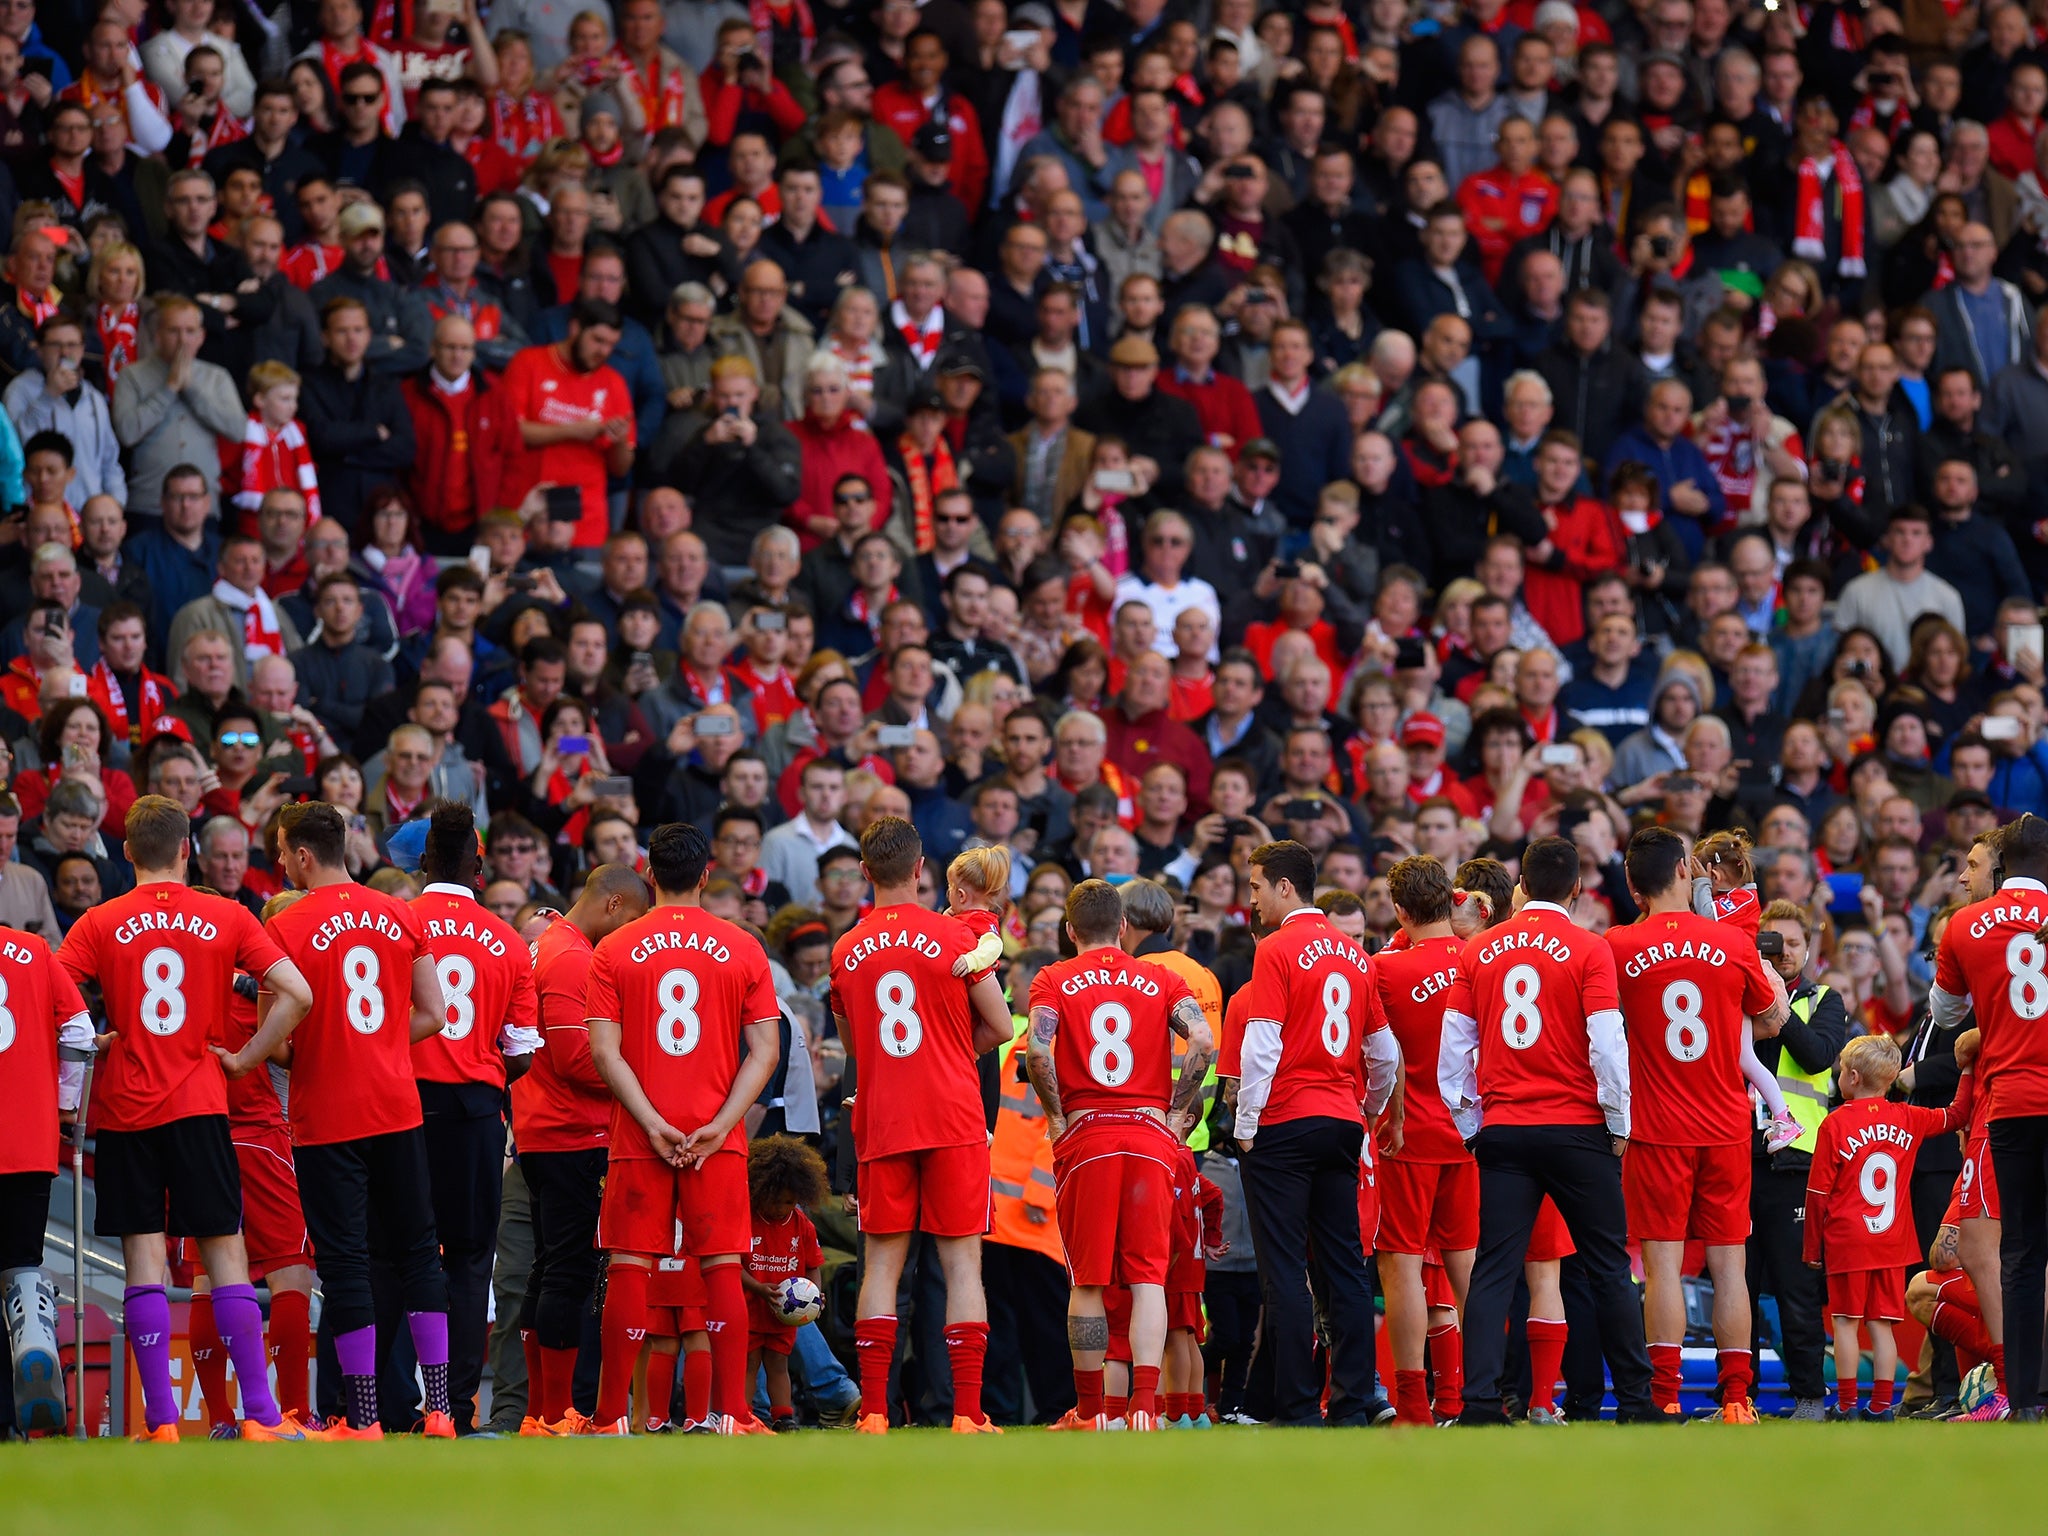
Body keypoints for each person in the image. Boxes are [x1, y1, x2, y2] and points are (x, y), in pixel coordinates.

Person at [55, 794, 317, 1441]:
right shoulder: (226, 915)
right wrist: (246, 1056)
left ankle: (162, 1424)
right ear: (186, 849)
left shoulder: (97, 922)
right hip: (201, 1105)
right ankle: (260, 1416)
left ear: (125, 853)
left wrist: (98, 1043)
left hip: (125, 1111)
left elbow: (56, 1008)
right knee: (224, 1256)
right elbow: (300, 993)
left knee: (145, 1260)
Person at [1438, 834, 1658, 1424]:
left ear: (1521, 888)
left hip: (1505, 1128)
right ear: (1579, 888)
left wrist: (1471, 1126)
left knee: (1493, 1270)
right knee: (1609, 1268)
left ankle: (1479, 1403)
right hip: (1578, 1128)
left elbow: (1454, 1049)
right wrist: (1619, 1122)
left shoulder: (1478, 950)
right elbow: (1608, 1045)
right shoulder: (1590, 949)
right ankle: (1637, 1402)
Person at [252, 801, 453, 1438]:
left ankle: (360, 1418)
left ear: (302, 854)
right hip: (397, 1105)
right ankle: (443, 1411)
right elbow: (436, 1013)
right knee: (421, 1252)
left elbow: (275, 1042)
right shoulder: (399, 912)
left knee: (345, 1263)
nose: (281, 864)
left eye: (282, 853)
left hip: (327, 1114)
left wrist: (315, 1045)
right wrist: (383, 1046)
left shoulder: (282, 927)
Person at [585, 821, 782, 1435]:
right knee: (722, 1265)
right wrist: (722, 1126)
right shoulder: (744, 946)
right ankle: (732, 1414)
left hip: (641, 1134)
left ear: (648, 874)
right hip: (714, 1133)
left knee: (628, 1265)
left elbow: (603, 1052)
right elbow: (766, 1050)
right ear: (705, 875)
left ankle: (611, 1417)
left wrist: (650, 1122)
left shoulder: (612, 950)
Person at [830, 817, 1013, 1432]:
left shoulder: (844, 950)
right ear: (920, 870)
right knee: (962, 1265)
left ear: (864, 873)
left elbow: (855, 1046)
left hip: (882, 1118)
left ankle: (876, 1411)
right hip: (954, 1115)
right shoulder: (956, 937)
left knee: (880, 1265)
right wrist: (955, 1050)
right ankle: (967, 1413)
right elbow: (1001, 1026)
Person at [1606, 826, 1794, 1423]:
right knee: (1729, 1265)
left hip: (1655, 1126)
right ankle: (1737, 1399)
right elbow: (1773, 1017)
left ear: (1634, 886)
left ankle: (1663, 1397)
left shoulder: (1615, 945)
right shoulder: (1733, 944)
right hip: (1725, 1124)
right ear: (1687, 870)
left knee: (1659, 1268)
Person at [1027, 877, 1215, 1431]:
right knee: (1148, 1279)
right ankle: (1143, 1408)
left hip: (1088, 1139)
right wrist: (1179, 1115)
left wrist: (1059, 1117)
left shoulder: (1053, 977)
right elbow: (1203, 1041)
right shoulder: (1160, 978)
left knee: (1087, 1281)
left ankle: (1090, 1412)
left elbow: (1039, 1051)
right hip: (1150, 1137)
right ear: (1124, 927)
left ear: (1069, 931)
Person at [1230, 838, 1399, 1425]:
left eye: (1255, 887)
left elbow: (1263, 1042)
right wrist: (1368, 1108)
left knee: (1285, 1272)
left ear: (1284, 887)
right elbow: (1383, 1052)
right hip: (1341, 1120)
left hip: (1284, 1120)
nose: (1250, 901)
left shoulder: (1276, 949)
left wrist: (1246, 1125)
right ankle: (1355, 1402)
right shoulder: (1355, 956)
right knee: (1345, 1267)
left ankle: (1296, 1406)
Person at [406, 805, 540, 1435]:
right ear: (479, 870)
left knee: (399, 1254)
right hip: (476, 1111)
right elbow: (522, 1051)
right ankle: (455, 1408)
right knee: (467, 1261)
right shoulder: (509, 942)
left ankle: (383, 1405)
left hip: (401, 1104)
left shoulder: (395, 922)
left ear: (422, 862)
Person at [513, 864, 649, 1434]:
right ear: (614, 905)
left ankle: (541, 1411)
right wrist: (641, 1072)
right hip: (573, 1133)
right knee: (568, 1270)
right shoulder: (572, 958)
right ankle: (558, 1411)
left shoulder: (545, 946)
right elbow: (575, 1058)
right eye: (634, 920)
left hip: (543, 1127)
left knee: (550, 1267)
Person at [1928, 811, 2048, 1420]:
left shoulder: (1966, 926)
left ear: (2004, 865)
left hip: (2011, 1104)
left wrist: (1984, 1028)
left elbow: (1945, 1014)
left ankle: (2024, 1399)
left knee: (2021, 1255)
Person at [1806, 1032, 1978, 1420]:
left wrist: (1810, 1248)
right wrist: (1966, 1069)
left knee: (1846, 1324)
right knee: (1881, 1325)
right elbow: (1957, 1114)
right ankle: (1882, 1407)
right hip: (1892, 1242)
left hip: (1847, 1241)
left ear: (1851, 1077)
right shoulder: (1908, 1117)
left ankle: (1848, 1407)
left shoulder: (1834, 1124)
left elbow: (1817, 1194)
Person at [1371, 854, 1480, 1424]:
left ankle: (1413, 1406)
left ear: (1398, 909)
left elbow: (1375, 1057)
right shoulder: (1480, 957)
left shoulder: (1383, 970)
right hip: (1472, 1134)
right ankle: (1483, 1395)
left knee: (1402, 1268)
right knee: (1469, 1270)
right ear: (1451, 899)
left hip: (1405, 1135)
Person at [0, 881, 92, 1434]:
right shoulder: (32, 950)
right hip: (28, 1142)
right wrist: (62, 1106)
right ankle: (31, 1340)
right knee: (17, 1275)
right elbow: (79, 1032)